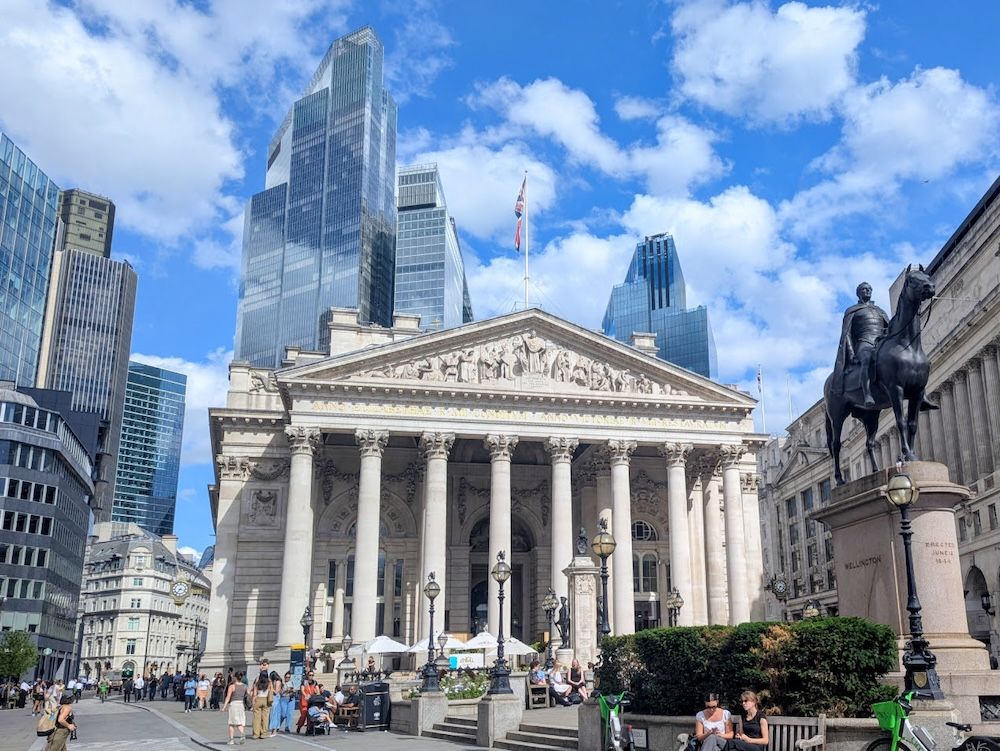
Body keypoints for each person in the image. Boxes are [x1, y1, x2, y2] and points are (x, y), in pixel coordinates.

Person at [835, 281, 890, 408]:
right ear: (858, 293)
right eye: (864, 289)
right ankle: (867, 394)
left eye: (869, 289)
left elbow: (889, 328)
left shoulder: (880, 311)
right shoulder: (852, 311)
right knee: (867, 360)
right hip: (864, 343)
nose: (867, 291)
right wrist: (851, 353)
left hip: (881, 343)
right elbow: (847, 334)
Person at [221, 671, 248, 746]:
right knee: (240, 721)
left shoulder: (232, 686)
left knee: (232, 723)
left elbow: (228, 697)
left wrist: (224, 707)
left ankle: (231, 740)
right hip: (241, 704)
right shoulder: (245, 686)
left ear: (235, 677)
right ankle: (242, 733)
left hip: (234, 705)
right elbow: (249, 694)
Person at [251, 670, 272, 740]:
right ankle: (263, 733)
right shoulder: (269, 683)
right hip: (266, 700)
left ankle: (256, 734)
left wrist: (253, 703)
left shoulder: (257, 683)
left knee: (256, 718)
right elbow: (271, 691)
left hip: (258, 699)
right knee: (265, 718)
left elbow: (254, 694)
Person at [267, 671, 284, 738]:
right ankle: (273, 730)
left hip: (276, 699)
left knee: (274, 715)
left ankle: (274, 731)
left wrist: (270, 687)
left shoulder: (277, 682)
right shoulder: (274, 682)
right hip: (274, 699)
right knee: (272, 715)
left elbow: (276, 692)